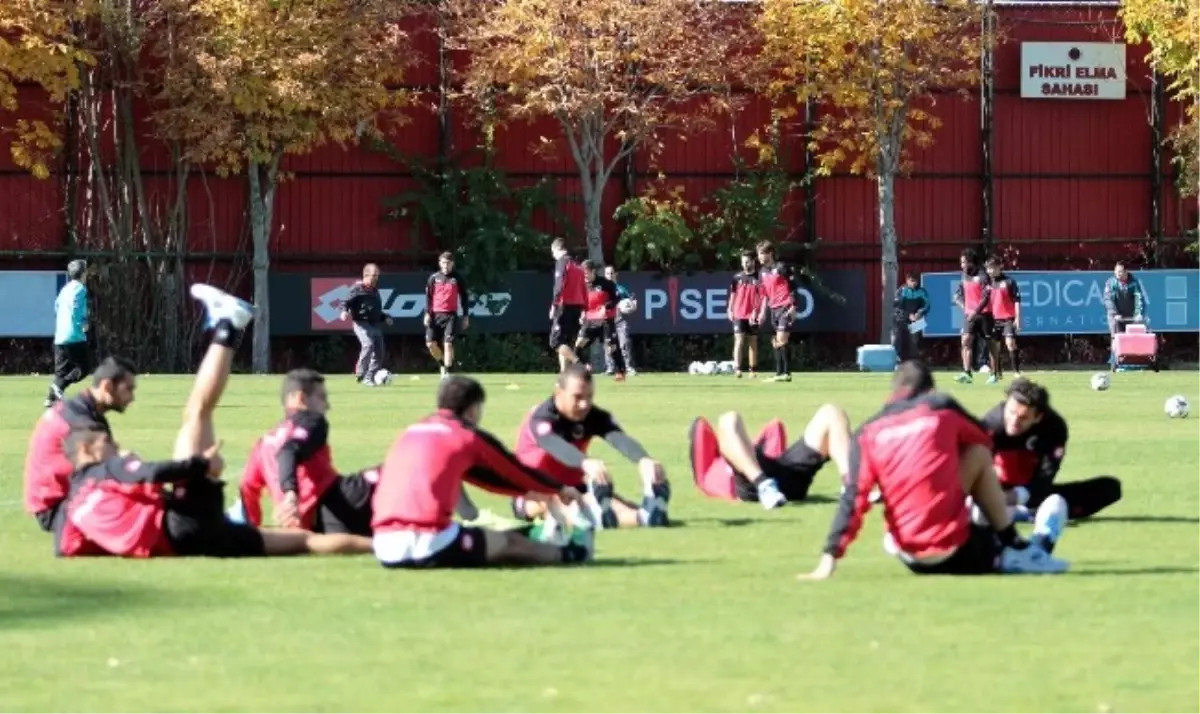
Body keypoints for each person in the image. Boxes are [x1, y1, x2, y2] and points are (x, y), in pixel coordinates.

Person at [57, 284, 372, 559]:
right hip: (182, 518)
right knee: (196, 411)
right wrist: (198, 465)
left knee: (305, 542)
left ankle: (377, 546)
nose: (113, 446)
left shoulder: (74, 503)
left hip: (193, 541)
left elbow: (66, 546)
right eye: (106, 443)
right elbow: (152, 472)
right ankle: (229, 326)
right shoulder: (103, 470)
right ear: (87, 450)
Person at [799, 361, 1070, 579]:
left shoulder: (868, 432)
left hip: (907, 554)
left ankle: (1005, 535)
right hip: (956, 549)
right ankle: (1021, 546)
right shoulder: (941, 407)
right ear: (930, 391)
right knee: (977, 453)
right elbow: (984, 440)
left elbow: (853, 498)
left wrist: (829, 557)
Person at [371, 375, 593, 569]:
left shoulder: (412, 431)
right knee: (509, 544)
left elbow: (484, 479)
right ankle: (572, 553)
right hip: (429, 542)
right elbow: (515, 471)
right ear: (473, 408)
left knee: (496, 539)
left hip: (384, 545)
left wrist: (530, 492)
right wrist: (558, 488)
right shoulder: (467, 435)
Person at [511, 364, 669, 534]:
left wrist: (643, 459)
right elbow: (554, 444)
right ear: (559, 393)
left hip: (576, 485)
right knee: (565, 506)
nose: (584, 404)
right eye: (577, 397)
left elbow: (617, 436)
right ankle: (631, 517)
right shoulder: (541, 417)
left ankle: (643, 514)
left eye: (589, 396)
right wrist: (584, 462)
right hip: (533, 491)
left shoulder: (590, 415)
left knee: (619, 505)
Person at [234, 369, 383, 536]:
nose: (327, 406)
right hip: (341, 501)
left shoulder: (262, 444)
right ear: (301, 398)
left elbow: (247, 486)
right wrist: (291, 494)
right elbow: (289, 451)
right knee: (399, 467)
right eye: (321, 398)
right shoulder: (311, 420)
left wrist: (251, 530)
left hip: (318, 525)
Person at [981, 378, 1122, 523]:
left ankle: (1027, 512)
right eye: (1010, 412)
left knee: (1109, 488)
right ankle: (1027, 513)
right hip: (995, 490)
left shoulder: (1053, 428)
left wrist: (1017, 496)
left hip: (1031, 491)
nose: (1014, 421)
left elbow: (1046, 475)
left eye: (1023, 417)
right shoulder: (989, 426)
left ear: (1038, 417)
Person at [24, 356, 137, 534]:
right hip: (57, 510)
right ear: (107, 386)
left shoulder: (80, 408)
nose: (132, 398)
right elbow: (113, 470)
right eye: (128, 389)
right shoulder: (80, 421)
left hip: (58, 502)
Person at [688, 403, 852, 510]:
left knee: (832, 412)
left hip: (789, 473)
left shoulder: (766, 452)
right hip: (754, 483)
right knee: (728, 418)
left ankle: (852, 484)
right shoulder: (729, 458)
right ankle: (765, 487)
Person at [46, 259, 92, 407]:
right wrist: (82, 323)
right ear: (83, 273)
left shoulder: (64, 289)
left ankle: (51, 398)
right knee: (84, 368)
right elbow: (78, 308)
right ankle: (59, 387)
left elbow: (56, 307)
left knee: (60, 372)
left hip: (60, 335)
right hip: (74, 335)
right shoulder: (81, 289)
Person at [341, 263, 393, 386]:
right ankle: (361, 373)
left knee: (380, 351)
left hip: (374, 324)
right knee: (368, 344)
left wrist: (385, 317)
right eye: (374, 275)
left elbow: (375, 311)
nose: (376, 278)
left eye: (377, 276)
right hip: (361, 324)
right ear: (366, 275)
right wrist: (344, 311)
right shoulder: (357, 288)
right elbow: (345, 302)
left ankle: (369, 377)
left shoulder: (375, 291)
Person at [575, 260, 626, 381]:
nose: (585, 275)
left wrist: (606, 307)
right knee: (578, 344)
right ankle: (585, 367)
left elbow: (617, 298)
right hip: (590, 320)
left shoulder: (606, 283)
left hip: (606, 320)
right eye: (583, 273)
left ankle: (620, 371)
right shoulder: (582, 284)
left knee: (611, 347)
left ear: (593, 271)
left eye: (586, 273)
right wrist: (582, 313)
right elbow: (582, 301)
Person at [424, 252, 470, 380]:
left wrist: (465, 316)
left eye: (448, 263)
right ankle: (442, 365)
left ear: (452, 264)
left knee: (448, 344)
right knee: (430, 344)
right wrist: (427, 313)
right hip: (435, 315)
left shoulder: (457, 278)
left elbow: (465, 297)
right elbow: (428, 297)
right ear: (440, 263)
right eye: (443, 262)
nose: (446, 265)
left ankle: (448, 373)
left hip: (451, 316)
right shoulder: (433, 278)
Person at [756, 241, 797, 383]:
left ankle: (786, 372)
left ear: (770, 253)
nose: (759, 257)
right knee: (775, 342)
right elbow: (764, 295)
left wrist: (794, 306)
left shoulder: (781, 267)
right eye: (758, 254)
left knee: (781, 339)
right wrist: (762, 312)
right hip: (773, 309)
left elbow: (793, 287)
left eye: (762, 254)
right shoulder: (762, 273)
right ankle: (779, 373)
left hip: (785, 306)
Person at [954, 249, 996, 384]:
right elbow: (958, 294)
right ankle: (967, 373)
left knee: (990, 344)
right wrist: (964, 307)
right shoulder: (964, 276)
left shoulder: (983, 276)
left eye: (964, 262)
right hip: (970, 315)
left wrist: (975, 311)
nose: (962, 265)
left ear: (972, 262)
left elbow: (986, 297)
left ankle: (994, 374)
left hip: (984, 314)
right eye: (961, 262)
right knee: (965, 341)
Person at [985, 256, 1022, 380]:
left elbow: (1017, 301)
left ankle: (1016, 371)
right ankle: (997, 373)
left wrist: (1018, 318)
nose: (990, 271)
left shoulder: (1009, 282)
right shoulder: (987, 283)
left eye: (992, 268)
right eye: (988, 269)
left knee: (1010, 343)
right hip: (992, 320)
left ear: (1000, 267)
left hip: (1008, 319)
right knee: (995, 347)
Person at [727, 250, 762, 378]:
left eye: (747, 261)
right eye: (743, 262)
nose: (744, 264)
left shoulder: (759, 277)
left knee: (752, 341)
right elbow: (733, 295)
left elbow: (761, 297)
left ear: (753, 261)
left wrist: (756, 311)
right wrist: (730, 309)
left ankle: (753, 370)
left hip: (753, 314)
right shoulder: (736, 278)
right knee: (739, 340)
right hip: (739, 313)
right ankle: (737, 369)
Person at [603, 265, 636, 377]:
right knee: (609, 344)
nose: (610, 275)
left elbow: (630, 302)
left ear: (615, 275)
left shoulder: (621, 289)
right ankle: (610, 368)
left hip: (620, 320)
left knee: (624, 343)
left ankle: (628, 367)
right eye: (607, 273)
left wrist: (633, 306)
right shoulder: (601, 290)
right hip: (607, 320)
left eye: (611, 273)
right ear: (604, 275)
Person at [1104, 261, 1146, 345]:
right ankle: (1115, 357)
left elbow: (1139, 298)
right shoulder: (1110, 283)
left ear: (1126, 271)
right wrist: (1115, 314)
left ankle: (1132, 357)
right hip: (1115, 316)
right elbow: (1108, 299)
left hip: (1130, 316)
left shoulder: (1134, 282)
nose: (1117, 273)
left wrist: (1138, 314)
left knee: (1133, 339)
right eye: (1116, 271)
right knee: (1116, 338)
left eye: (1120, 271)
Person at [892, 271, 929, 362]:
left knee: (915, 341)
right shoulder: (901, 291)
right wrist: (909, 315)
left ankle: (915, 360)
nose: (914, 283)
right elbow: (896, 307)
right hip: (901, 320)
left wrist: (919, 313)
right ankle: (897, 359)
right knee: (898, 337)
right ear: (907, 281)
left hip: (917, 321)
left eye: (916, 281)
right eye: (911, 281)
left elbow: (927, 305)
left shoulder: (922, 291)